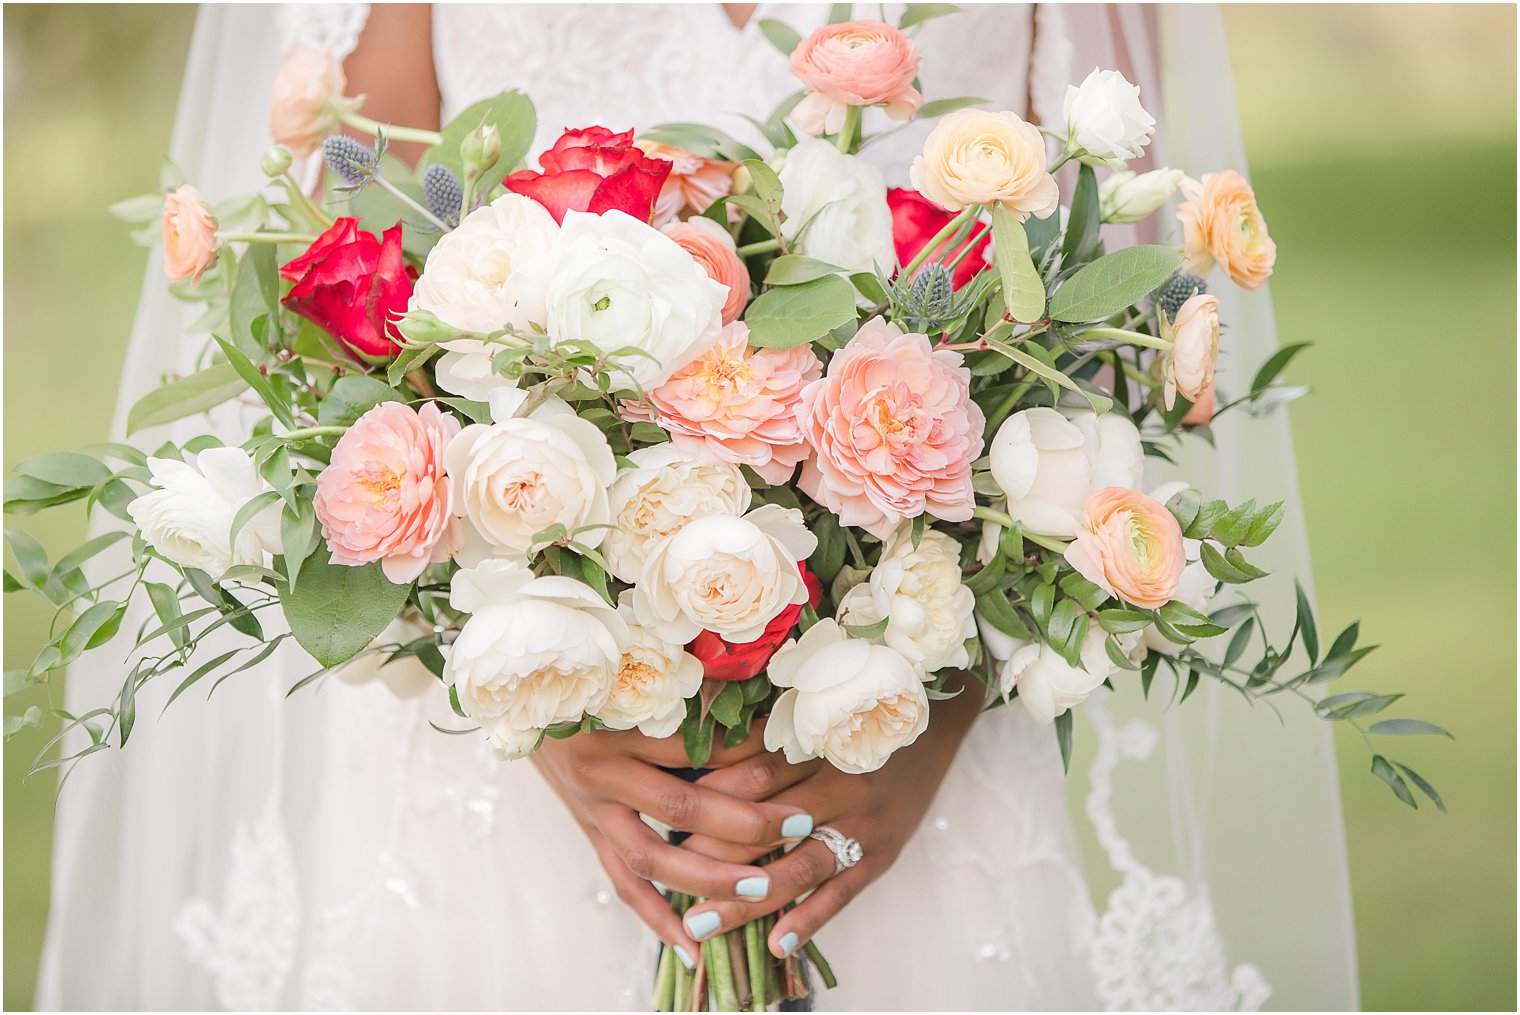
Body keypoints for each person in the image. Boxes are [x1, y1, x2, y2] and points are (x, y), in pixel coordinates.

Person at [36, 5, 1358, 1010]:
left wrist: (920, 728)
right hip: (510, 773)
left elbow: (1107, 349)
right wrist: (536, 708)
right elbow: (344, 332)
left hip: (905, 775)